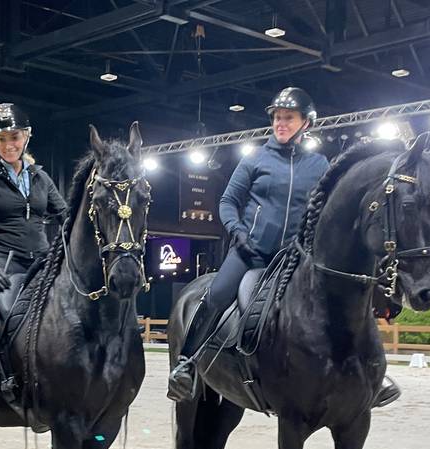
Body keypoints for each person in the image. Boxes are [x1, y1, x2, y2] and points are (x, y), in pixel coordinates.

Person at [166, 87, 404, 407]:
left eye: (288, 118)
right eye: (277, 117)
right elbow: (228, 201)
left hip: (296, 257)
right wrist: (238, 231)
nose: (280, 123)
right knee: (217, 294)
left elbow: (328, 209)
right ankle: (186, 364)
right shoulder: (255, 159)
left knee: (345, 297)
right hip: (251, 252)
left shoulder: (318, 165)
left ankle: (370, 372)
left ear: (306, 123)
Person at [0, 102, 67, 422]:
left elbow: (64, 215)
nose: (9, 145)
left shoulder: (40, 177)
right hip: (1, 260)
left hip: (41, 260)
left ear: (26, 137)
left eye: (15, 137)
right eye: (1, 139)